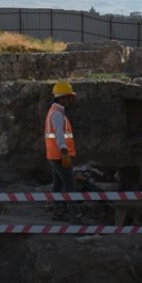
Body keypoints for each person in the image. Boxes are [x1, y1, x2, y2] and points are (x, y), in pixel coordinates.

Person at [44, 80, 80, 220]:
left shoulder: (54, 111)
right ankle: (76, 214)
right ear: (62, 97)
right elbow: (59, 135)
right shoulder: (58, 115)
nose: (70, 100)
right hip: (60, 156)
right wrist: (64, 152)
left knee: (58, 184)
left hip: (54, 155)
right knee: (69, 185)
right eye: (68, 97)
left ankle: (57, 211)